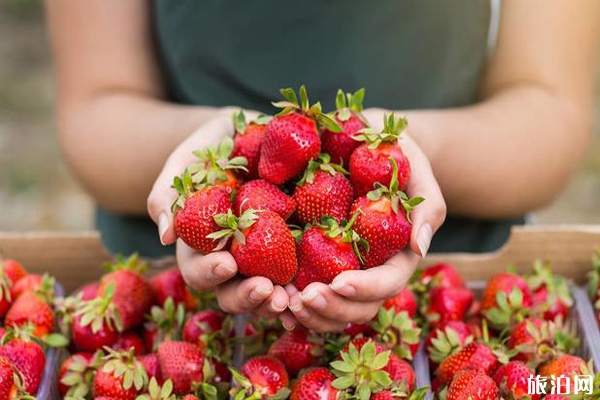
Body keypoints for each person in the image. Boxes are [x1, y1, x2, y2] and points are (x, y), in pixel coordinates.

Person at [46, 0, 600, 332]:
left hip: (452, 290)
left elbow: (549, 108)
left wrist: (417, 141)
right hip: (173, 292)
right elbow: (94, 110)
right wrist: (215, 155)